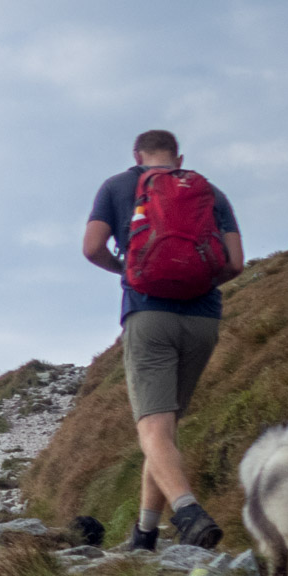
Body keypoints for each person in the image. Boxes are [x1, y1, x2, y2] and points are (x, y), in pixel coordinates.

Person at [83, 129, 244, 550]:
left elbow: (92, 247)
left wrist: (128, 270)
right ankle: (145, 535)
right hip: (203, 319)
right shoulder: (210, 192)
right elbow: (235, 264)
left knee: (153, 427)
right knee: (164, 430)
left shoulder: (117, 186)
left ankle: (188, 511)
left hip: (149, 313)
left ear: (136, 154)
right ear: (179, 157)